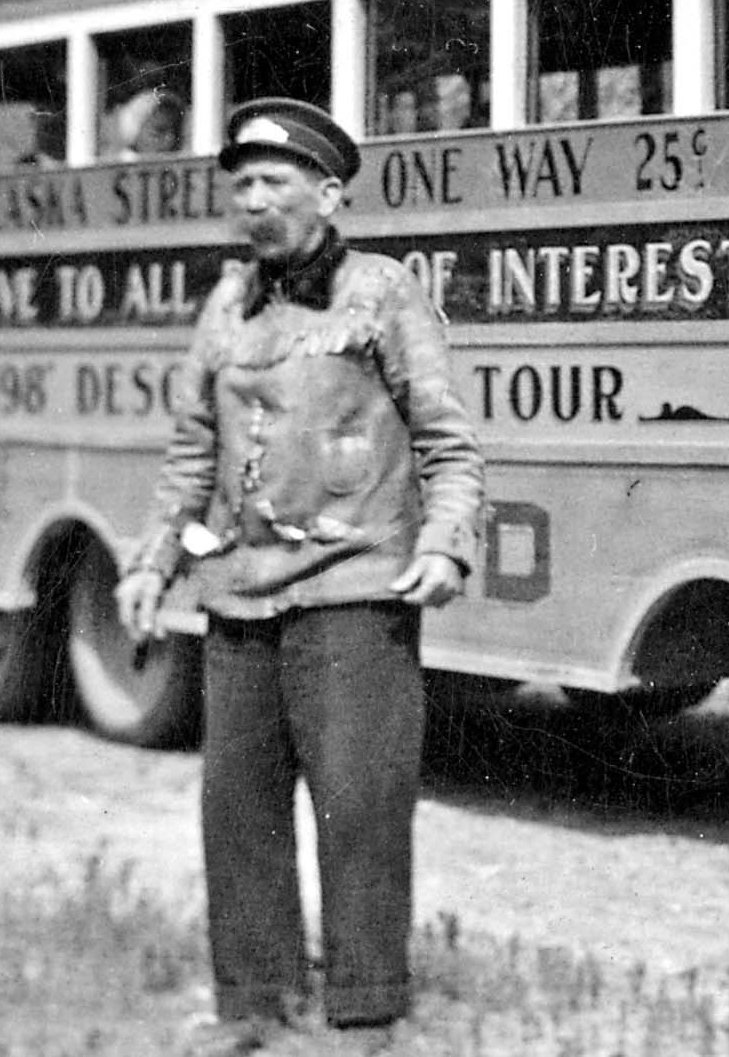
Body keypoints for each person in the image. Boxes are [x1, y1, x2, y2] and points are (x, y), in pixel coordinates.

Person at [114, 98, 482, 1053]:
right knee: (237, 810)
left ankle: (365, 1011)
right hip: (239, 594)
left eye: (274, 181)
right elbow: (192, 451)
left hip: (355, 591)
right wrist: (155, 558)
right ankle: (256, 1007)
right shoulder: (227, 307)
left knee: (359, 804)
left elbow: (448, 439)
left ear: (327, 192)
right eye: (240, 183)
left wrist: (443, 543)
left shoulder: (384, 292)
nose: (254, 200)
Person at [111, 87, 186, 159]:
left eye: (176, 131)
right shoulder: (112, 170)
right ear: (134, 134)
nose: (171, 140)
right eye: (160, 131)